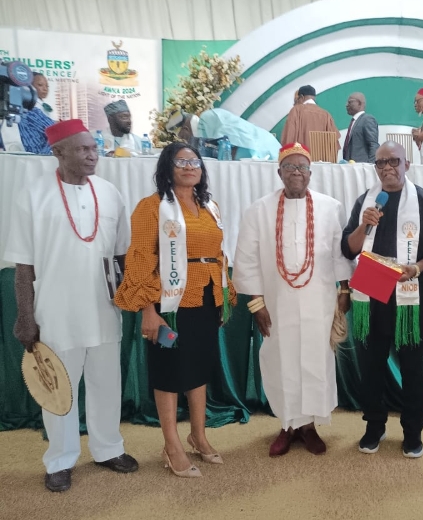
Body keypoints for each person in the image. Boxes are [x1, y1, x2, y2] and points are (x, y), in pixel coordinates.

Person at [3, 119, 138, 492]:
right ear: (58, 152)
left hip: (104, 310)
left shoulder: (110, 193)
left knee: (106, 384)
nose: (93, 155)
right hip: (56, 313)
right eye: (83, 149)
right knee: (58, 389)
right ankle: (60, 460)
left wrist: (131, 298)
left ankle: (108, 449)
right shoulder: (32, 195)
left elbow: (121, 257)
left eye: (94, 148)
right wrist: (25, 317)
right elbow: (23, 267)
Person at [114, 142, 236, 478]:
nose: (189, 167)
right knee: (168, 369)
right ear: (167, 167)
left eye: (194, 161)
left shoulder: (210, 207)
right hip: (168, 304)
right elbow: (141, 259)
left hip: (206, 298)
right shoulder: (151, 207)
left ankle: (198, 435)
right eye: (181, 161)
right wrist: (148, 310)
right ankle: (172, 445)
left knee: (199, 365)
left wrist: (223, 296)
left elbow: (219, 253)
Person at [233, 142, 353, 456]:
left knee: (316, 359)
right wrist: (257, 304)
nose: (296, 172)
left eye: (302, 167)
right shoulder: (259, 210)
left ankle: (309, 427)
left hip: (319, 301)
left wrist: (344, 290)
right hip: (277, 302)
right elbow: (247, 260)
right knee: (281, 360)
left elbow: (340, 254)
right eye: (290, 167)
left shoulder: (330, 207)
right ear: (279, 172)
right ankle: (287, 425)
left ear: (310, 173)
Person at [341, 140, 423, 458]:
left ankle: (413, 432)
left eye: (394, 161)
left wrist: (416, 268)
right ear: (375, 167)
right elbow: (348, 248)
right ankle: (374, 426)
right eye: (381, 163)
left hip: (411, 290)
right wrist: (364, 224)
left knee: (413, 368)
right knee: (371, 366)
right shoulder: (366, 202)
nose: (387, 167)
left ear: (407, 164)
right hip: (372, 287)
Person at [167, 108, 281, 160]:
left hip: (264, 149)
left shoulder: (208, 118)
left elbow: (233, 137)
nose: (185, 140)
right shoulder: (202, 132)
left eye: (183, 136)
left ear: (186, 129)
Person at [280, 85, 340, 152]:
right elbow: (334, 145)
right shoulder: (326, 115)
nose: (295, 104)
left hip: (301, 157)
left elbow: (288, 138)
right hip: (320, 158)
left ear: (301, 97)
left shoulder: (296, 111)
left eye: (297, 100)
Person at [342, 92, 379, 163]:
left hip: (361, 167)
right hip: (350, 166)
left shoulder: (367, 119)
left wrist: (369, 165)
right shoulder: (354, 121)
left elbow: (373, 145)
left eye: (350, 102)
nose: (346, 105)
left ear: (359, 103)